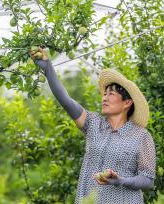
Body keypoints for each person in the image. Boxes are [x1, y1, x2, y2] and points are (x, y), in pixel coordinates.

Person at [30, 47, 156, 204]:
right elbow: (66, 100)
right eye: (104, 94)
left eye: (111, 94)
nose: (104, 98)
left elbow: (147, 179)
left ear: (127, 103)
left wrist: (120, 180)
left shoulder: (141, 136)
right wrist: (48, 67)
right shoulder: (93, 124)